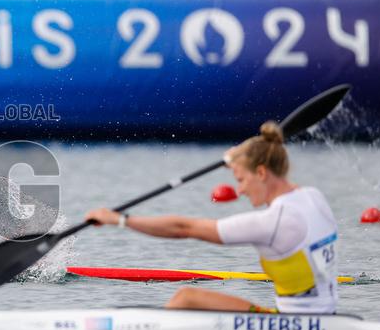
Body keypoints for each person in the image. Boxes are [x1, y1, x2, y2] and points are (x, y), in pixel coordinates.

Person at [85, 121, 339, 314]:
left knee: (185, 300)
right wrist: (241, 158)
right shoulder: (314, 197)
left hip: (295, 324)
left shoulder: (272, 223)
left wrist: (119, 219)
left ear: (261, 173)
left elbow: (183, 228)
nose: (239, 190)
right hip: (324, 316)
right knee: (187, 296)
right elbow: (265, 159)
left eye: (240, 180)